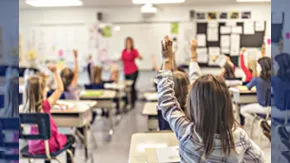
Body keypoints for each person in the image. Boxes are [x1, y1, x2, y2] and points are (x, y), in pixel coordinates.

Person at [156, 36, 264, 162]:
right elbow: (260, 160)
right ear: (226, 104)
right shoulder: (239, 137)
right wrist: (193, 56)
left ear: (193, 103)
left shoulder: (187, 133)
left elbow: (167, 102)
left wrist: (167, 60)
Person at [24, 64, 75, 163]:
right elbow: (60, 89)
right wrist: (55, 72)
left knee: (45, 141)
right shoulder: (46, 105)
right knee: (70, 138)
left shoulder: (26, 108)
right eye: (45, 89)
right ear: (42, 92)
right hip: (49, 146)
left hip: (33, 146)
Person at [240, 57, 272, 126]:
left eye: (257, 66)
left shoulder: (256, 80)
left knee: (242, 110)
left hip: (263, 108)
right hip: (274, 109)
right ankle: (264, 124)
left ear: (261, 68)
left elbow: (246, 88)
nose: (256, 68)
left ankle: (260, 123)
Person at [121, 37, 143, 108]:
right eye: (127, 42)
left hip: (133, 71)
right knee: (126, 87)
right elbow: (122, 59)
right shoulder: (123, 51)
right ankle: (127, 102)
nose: (128, 44)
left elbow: (140, 57)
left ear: (131, 43)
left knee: (132, 86)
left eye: (130, 42)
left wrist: (140, 56)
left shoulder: (134, 51)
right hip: (126, 71)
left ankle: (133, 103)